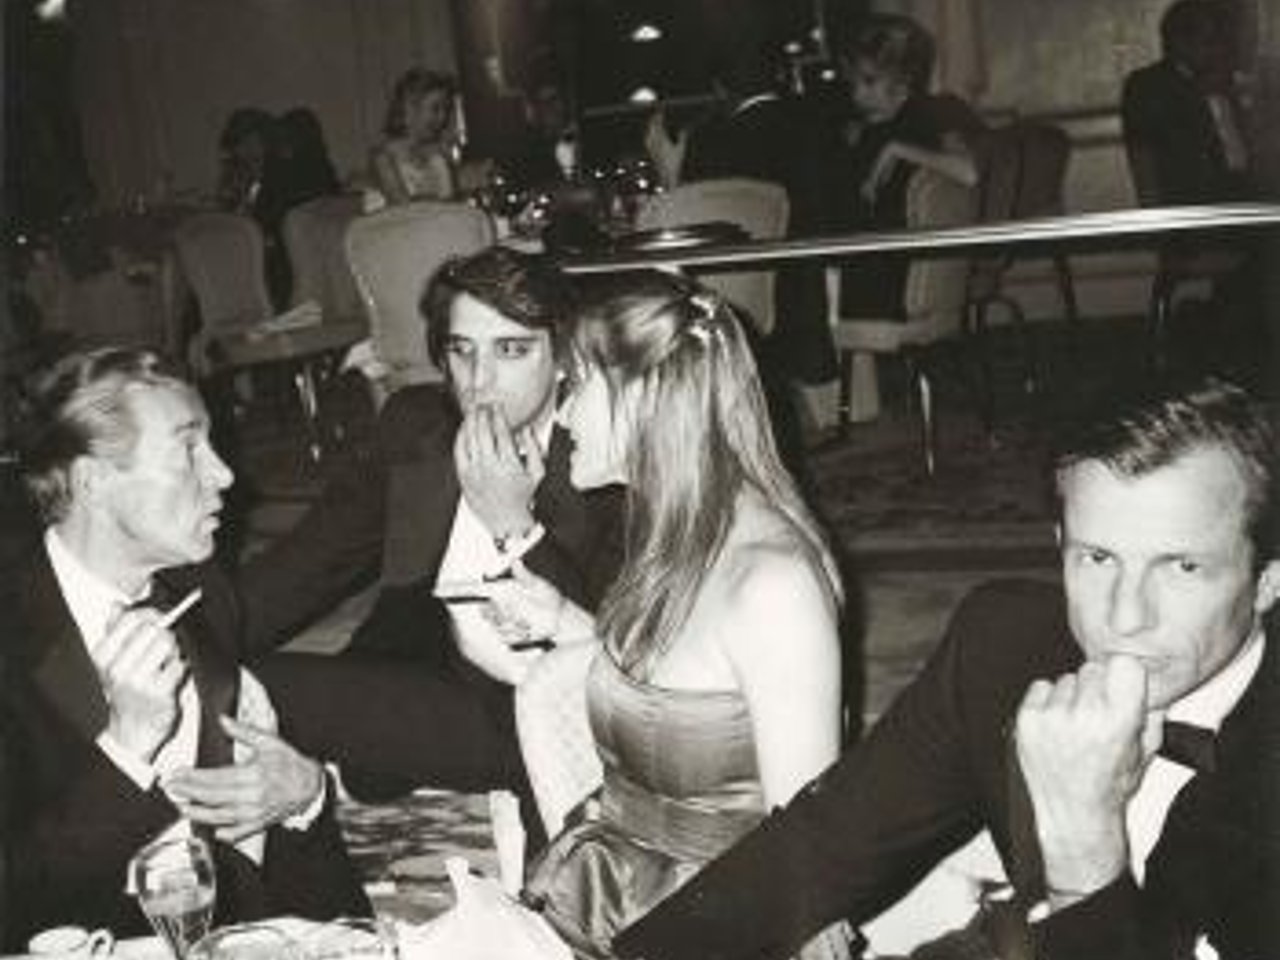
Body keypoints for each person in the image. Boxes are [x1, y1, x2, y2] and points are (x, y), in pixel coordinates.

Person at [615, 374, 1280, 960]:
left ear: (1269, 580)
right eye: (1097, 558)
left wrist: (1083, 848)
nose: (1126, 617)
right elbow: (823, 845)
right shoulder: (1004, 645)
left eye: (1183, 567)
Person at [451, 271, 849, 959]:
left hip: (709, 920)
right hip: (614, 884)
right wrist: (566, 620)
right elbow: (687, 688)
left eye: (578, 387)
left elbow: (807, 841)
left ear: (641, 397)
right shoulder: (679, 531)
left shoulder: (774, 586)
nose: (563, 417)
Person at [237, 246, 624, 842]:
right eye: (462, 350)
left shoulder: (603, 452)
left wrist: (512, 523)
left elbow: (589, 663)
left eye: (512, 350)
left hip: (524, 701)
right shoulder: (417, 422)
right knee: (239, 688)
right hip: (417, 641)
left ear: (565, 357)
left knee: (262, 689)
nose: (479, 379)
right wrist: (187, 628)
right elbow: (314, 560)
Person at [0, 348, 369, 949]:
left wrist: (303, 796)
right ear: (93, 480)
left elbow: (262, 865)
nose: (224, 475)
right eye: (189, 450)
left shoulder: (199, 591)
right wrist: (127, 748)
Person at [835, 13, 985, 319]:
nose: (857, 93)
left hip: (895, 275)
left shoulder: (928, 115)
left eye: (869, 81)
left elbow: (969, 172)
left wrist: (896, 150)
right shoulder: (865, 129)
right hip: (879, 263)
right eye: (854, 82)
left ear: (904, 80)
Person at [1122, 0, 1254, 208]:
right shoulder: (1148, 85)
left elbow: (1242, 157)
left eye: (1223, 40)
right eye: (1210, 41)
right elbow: (1144, 160)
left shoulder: (1230, 80)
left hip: (1240, 202)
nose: (1220, 49)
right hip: (1187, 209)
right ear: (1180, 43)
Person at [369, 67, 459, 206]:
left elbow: (451, 203)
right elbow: (402, 205)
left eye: (446, 109)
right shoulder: (384, 157)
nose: (442, 117)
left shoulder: (439, 156)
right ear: (409, 108)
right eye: (435, 108)